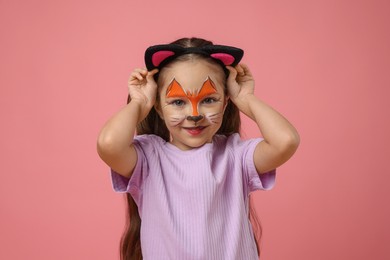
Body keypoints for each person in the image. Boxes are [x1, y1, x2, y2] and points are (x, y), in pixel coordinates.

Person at [97, 37, 300, 260]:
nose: (194, 114)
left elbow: (286, 141)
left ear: (225, 102)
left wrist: (246, 98)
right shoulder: (148, 159)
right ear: (158, 106)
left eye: (209, 100)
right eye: (177, 102)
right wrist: (138, 103)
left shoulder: (236, 156)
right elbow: (109, 144)